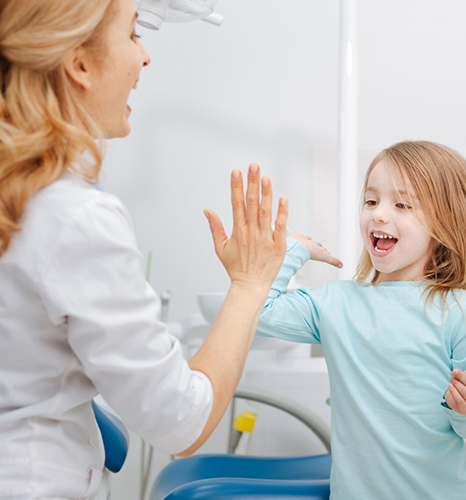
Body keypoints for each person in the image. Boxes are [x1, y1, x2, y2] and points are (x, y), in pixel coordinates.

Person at [0, 0, 288, 498]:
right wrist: (250, 282)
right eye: (134, 34)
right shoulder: (73, 216)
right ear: (80, 64)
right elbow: (183, 421)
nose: (146, 57)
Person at [256, 140, 466, 500]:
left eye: (402, 204)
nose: (379, 214)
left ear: (445, 224)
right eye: (371, 201)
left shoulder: (462, 312)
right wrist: (294, 251)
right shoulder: (336, 303)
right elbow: (258, 313)